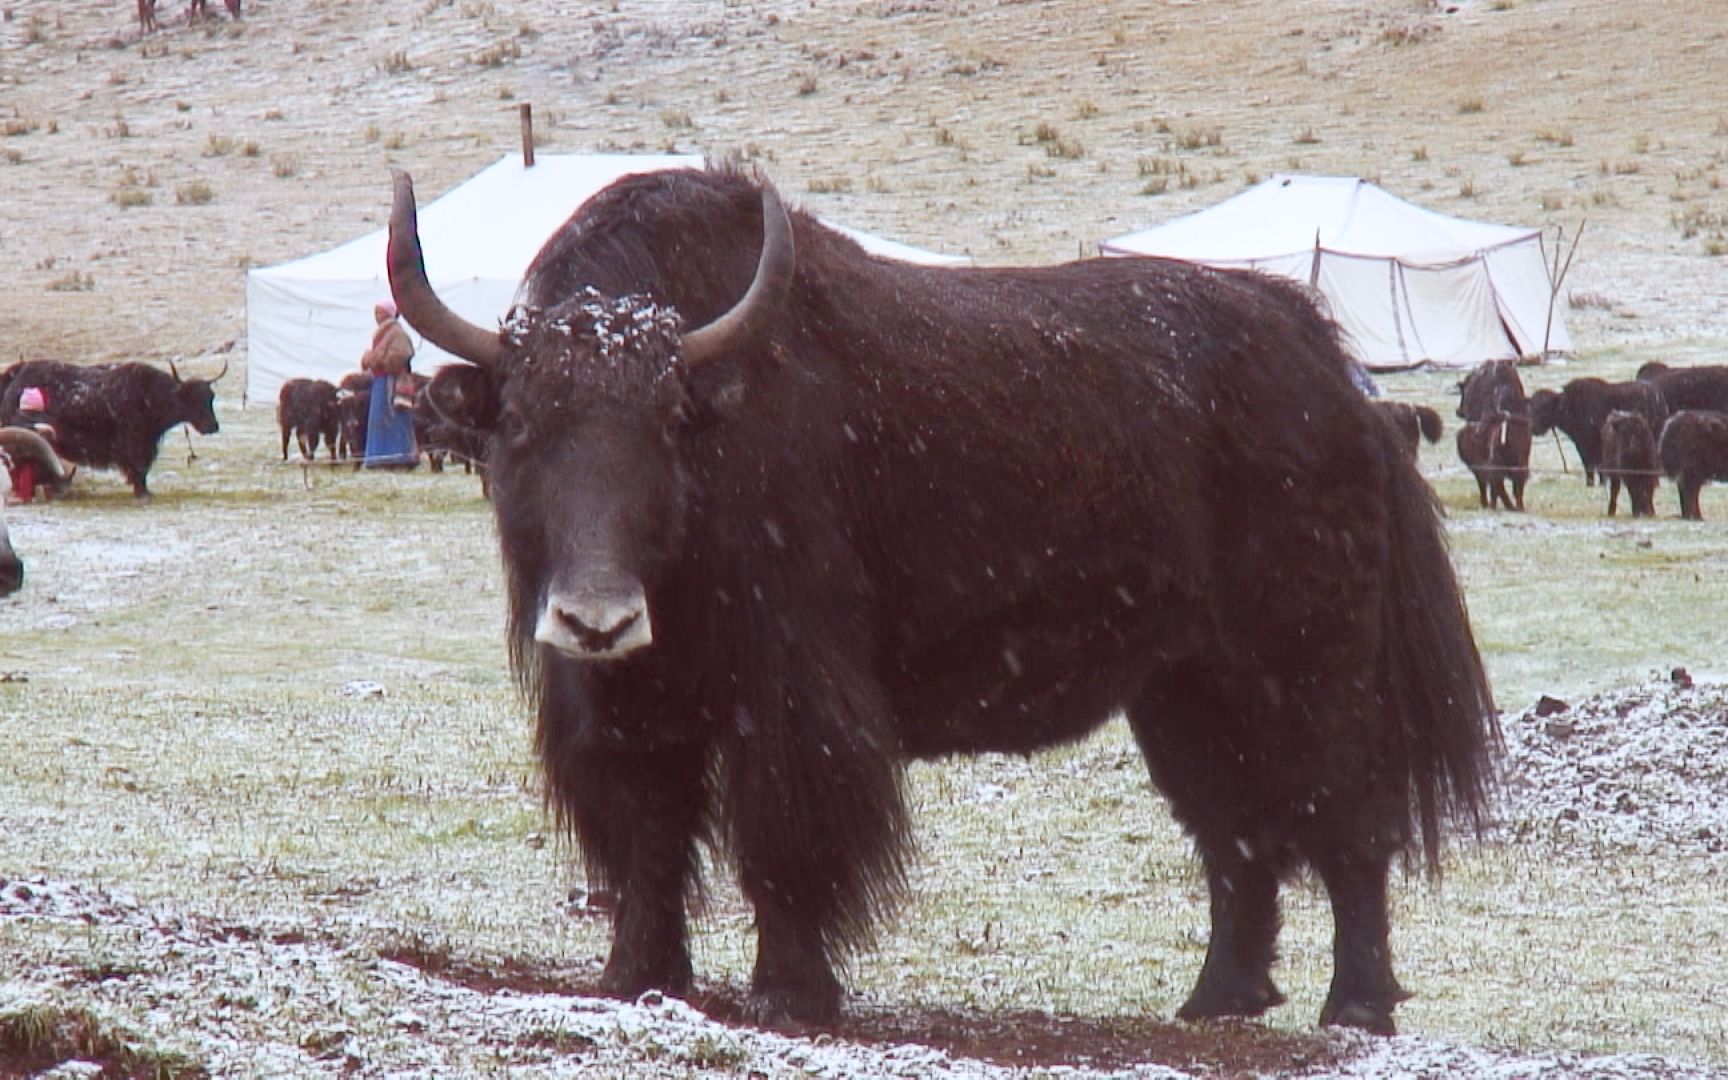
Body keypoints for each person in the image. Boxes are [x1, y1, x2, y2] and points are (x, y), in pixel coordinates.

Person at [359, 300, 419, 469]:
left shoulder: (396, 333)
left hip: (391, 382)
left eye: (380, 312)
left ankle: (397, 455)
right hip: (381, 381)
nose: (377, 316)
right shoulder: (383, 333)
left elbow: (401, 354)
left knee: (393, 418)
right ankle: (381, 456)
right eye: (376, 312)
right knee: (381, 419)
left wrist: (374, 359)